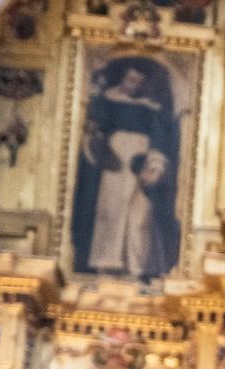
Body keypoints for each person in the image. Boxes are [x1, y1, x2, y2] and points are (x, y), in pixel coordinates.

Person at [72, 58, 182, 281]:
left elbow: (160, 138)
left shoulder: (151, 108)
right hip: (115, 162)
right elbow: (96, 129)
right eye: (131, 79)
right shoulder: (108, 99)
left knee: (141, 217)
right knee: (111, 209)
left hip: (141, 161)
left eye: (140, 82)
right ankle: (107, 262)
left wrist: (156, 165)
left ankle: (138, 265)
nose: (135, 85)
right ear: (123, 78)